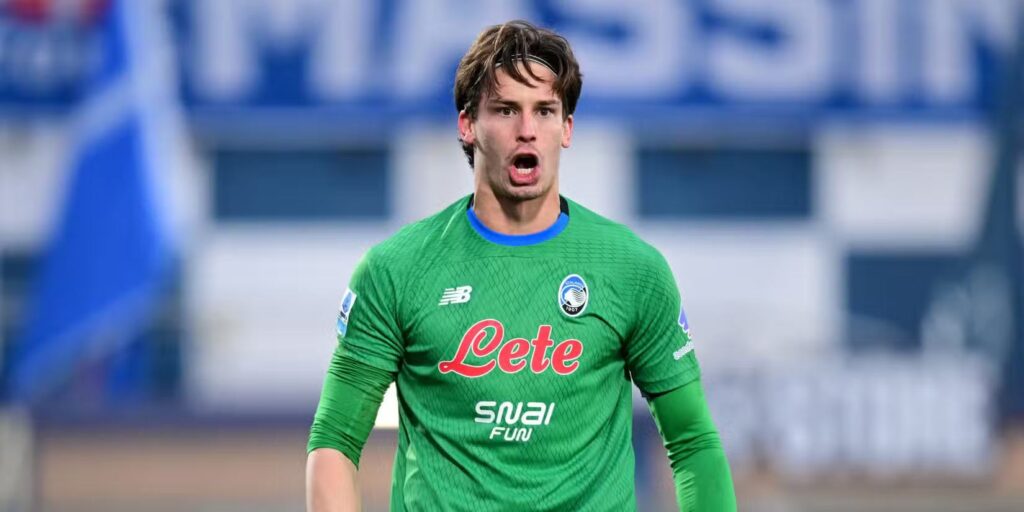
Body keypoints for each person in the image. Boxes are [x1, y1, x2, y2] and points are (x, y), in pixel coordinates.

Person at [306, 19, 736, 512]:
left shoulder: (632, 270)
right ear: (468, 125)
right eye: (506, 110)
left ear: (566, 128)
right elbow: (335, 440)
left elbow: (692, 441)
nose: (527, 129)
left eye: (545, 111)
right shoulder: (396, 270)